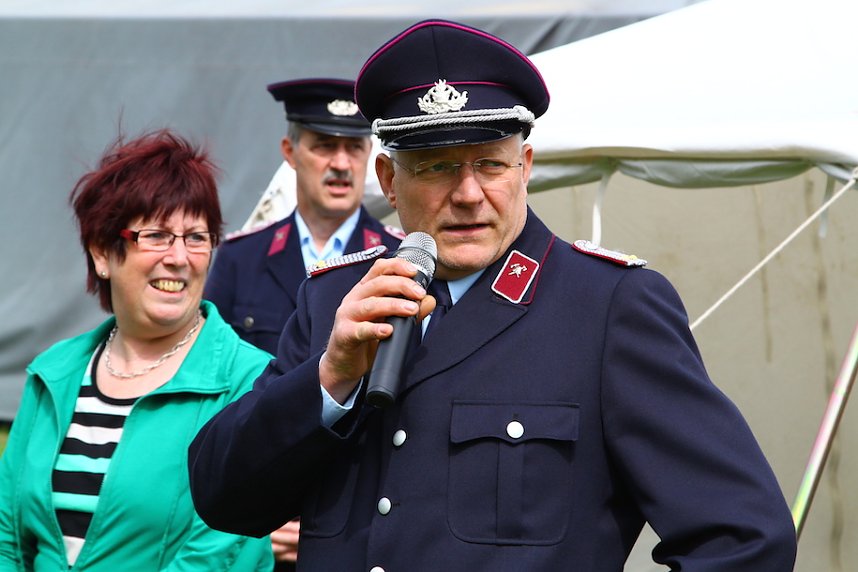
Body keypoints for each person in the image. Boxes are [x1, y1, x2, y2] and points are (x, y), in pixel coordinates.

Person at [188, 20, 798, 571]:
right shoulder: (335, 301)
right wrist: (329, 378)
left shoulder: (608, 306)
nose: (469, 194)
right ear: (388, 182)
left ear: (525, 166)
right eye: (436, 168)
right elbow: (223, 498)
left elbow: (745, 539)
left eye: (491, 164)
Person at [0, 129, 273, 571]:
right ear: (103, 253)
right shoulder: (52, 374)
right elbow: (7, 539)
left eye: (197, 237)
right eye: (157, 235)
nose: (179, 257)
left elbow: (218, 554)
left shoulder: (249, 382)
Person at [204, 78, 403, 356]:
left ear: (369, 153)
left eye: (354, 148)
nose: (342, 164)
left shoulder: (397, 257)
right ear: (290, 152)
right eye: (325, 146)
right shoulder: (241, 257)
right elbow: (212, 359)